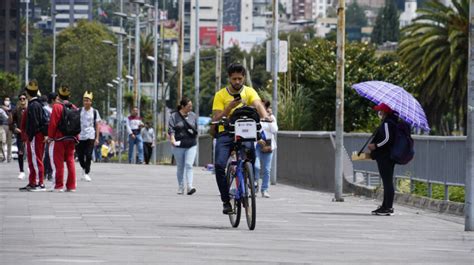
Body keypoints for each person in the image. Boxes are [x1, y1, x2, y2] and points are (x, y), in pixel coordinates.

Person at [212, 63, 271, 214]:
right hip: (225, 132)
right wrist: (229, 107)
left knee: (250, 154)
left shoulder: (249, 92)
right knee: (219, 165)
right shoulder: (220, 95)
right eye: (234, 79)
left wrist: (265, 116)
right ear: (229, 79)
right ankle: (226, 201)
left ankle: (247, 177)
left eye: (240, 78)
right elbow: (216, 117)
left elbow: (258, 104)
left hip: (244, 132)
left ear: (244, 78)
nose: (237, 82)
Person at [368, 103, 398, 216]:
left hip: (385, 156)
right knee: (387, 181)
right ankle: (385, 206)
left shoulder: (387, 123)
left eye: (380, 110)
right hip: (388, 156)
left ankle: (388, 207)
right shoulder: (392, 122)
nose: (379, 113)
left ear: (384, 112)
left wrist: (376, 146)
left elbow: (387, 139)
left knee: (387, 182)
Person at [47, 85, 78, 192]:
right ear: (69, 96)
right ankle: (71, 186)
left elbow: (53, 124)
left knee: (59, 162)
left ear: (59, 96)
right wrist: (76, 137)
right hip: (72, 138)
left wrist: (50, 137)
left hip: (60, 139)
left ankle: (59, 185)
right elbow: (77, 123)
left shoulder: (57, 107)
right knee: (70, 161)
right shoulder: (73, 107)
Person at [19, 80, 48, 191]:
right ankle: (32, 182)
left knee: (36, 160)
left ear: (27, 93)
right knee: (32, 160)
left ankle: (39, 183)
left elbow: (35, 123)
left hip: (35, 136)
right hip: (35, 135)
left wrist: (30, 136)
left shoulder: (34, 105)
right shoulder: (36, 104)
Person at [168, 98, 198, 195]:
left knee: (189, 165)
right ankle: (181, 186)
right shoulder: (174, 116)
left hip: (191, 144)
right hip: (178, 145)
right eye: (189, 106)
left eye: (191, 106)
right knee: (180, 166)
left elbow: (196, 129)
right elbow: (171, 128)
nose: (191, 108)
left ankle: (190, 186)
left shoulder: (193, 116)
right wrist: (172, 138)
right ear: (182, 106)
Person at [254, 100, 278, 198]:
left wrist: (269, 119)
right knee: (256, 166)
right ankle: (254, 187)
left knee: (267, 169)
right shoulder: (254, 117)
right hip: (256, 144)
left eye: (265, 107)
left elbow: (274, 130)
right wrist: (257, 139)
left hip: (268, 145)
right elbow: (251, 130)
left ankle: (265, 190)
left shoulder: (271, 117)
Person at [76, 91, 100, 182]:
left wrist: (97, 138)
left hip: (90, 135)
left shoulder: (94, 112)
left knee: (89, 155)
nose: (86, 102)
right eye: (84, 100)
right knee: (80, 155)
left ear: (91, 102)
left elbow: (97, 125)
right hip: (80, 136)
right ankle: (83, 168)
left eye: (88, 100)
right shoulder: (79, 111)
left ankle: (86, 172)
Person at [11, 93, 28, 179]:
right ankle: (21, 171)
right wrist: (15, 128)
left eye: (24, 98)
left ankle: (31, 169)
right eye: (20, 99)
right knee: (20, 153)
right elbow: (11, 122)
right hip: (20, 134)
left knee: (31, 153)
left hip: (29, 134)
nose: (22, 100)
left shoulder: (30, 109)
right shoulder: (16, 110)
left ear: (26, 99)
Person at [43, 92, 57, 181]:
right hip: (47, 135)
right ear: (52, 100)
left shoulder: (57, 109)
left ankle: (50, 173)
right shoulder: (44, 109)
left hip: (56, 136)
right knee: (48, 154)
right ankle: (45, 172)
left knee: (53, 155)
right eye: (57, 99)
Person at [1, 97, 13, 162]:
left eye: (8, 100)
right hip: (3, 126)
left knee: (9, 142)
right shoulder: (1, 108)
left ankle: (9, 157)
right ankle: (3, 156)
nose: (7, 101)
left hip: (10, 126)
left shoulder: (12, 108)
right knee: (3, 142)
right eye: (6, 100)